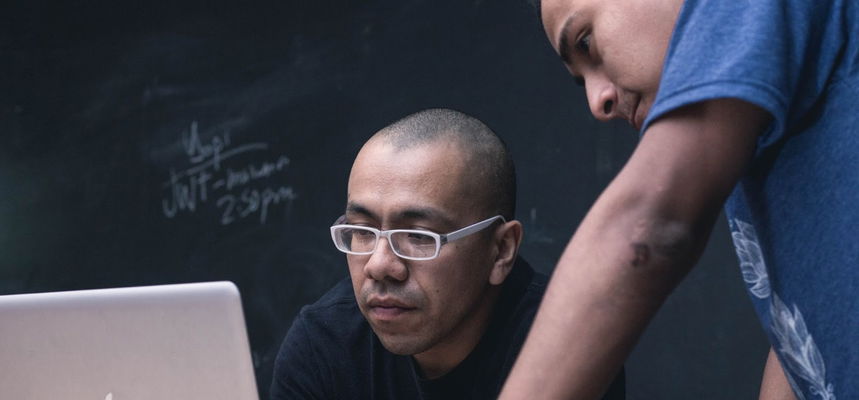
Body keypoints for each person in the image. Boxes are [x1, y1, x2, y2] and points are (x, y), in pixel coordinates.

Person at [500, 0, 858, 399]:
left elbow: (649, 225)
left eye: (586, 42)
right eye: (580, 80)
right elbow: (799, 327)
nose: (597, 102)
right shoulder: (753, 132)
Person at [270, 108, 626, 399]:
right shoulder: (325, 346)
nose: (379, 265)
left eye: (418, 236)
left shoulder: (566, 344)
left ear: (501, 250)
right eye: (362, 232)